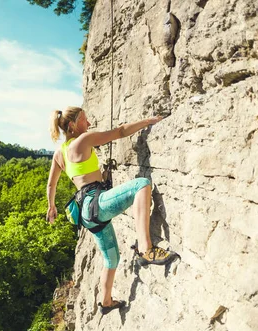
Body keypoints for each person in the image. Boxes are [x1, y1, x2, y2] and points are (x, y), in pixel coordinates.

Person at [46, 106, 176, 315]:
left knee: (111, 259)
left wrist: (51, 206)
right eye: (84, 120)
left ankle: (105, 302)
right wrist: (148, 121)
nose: (88, 124)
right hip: (96, 202)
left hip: (86, 214)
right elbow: (121, 131)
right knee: (141, 184)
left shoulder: (59, 154)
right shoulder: (83, 140)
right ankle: (146, 248)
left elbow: (52, 185)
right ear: (72, 125)